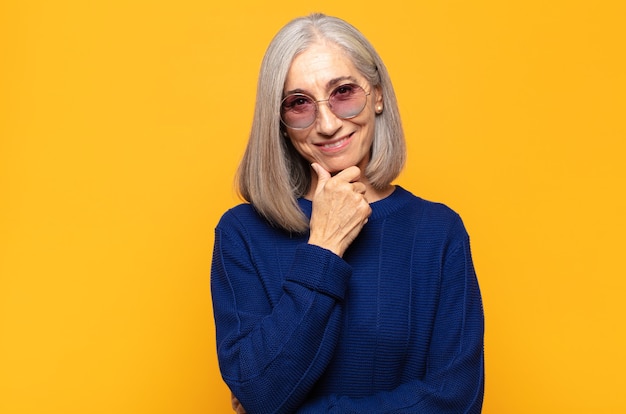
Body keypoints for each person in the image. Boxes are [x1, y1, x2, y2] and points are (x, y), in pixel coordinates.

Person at [211, 13, 484, 413]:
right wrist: (324, 245)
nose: (326, 124)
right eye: (299, 103)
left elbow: (457, 400)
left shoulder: (438, 232)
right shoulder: (242, 233)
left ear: (377, 95)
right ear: (281, 122)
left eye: (343, 92)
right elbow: (261, 391)